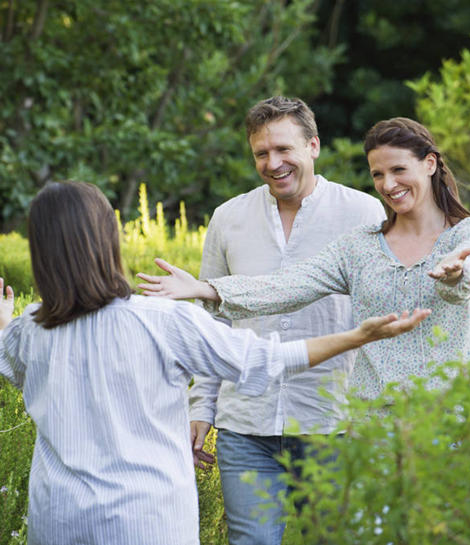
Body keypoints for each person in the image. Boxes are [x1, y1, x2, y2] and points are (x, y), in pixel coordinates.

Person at [0, 180, 429, 545]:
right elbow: (265, 360)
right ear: (105, 242)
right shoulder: (163, 320)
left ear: (40, 252)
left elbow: (8, 362)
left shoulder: (32, 328)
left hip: (59, 519)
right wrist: (356, 336)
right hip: (147, 523)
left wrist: (0, 317)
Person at [137, 115, 470, 402]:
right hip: (374, 427)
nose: (388, 185)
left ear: (430, 164)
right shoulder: (360, 246)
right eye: (378, 174)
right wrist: (206, 289)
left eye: (399, 170)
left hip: (454, 420)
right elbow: (285, 286)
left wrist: (457, 273)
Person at [183, 96, 387, 545]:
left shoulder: (364, 216)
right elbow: (212, 324)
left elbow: (380, 322)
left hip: (333, 422)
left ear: (313, 145)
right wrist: (201, 407)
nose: (273, 163)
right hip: (245, 425)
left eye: (284, 150)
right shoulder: (228, 218)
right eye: (261, 153)